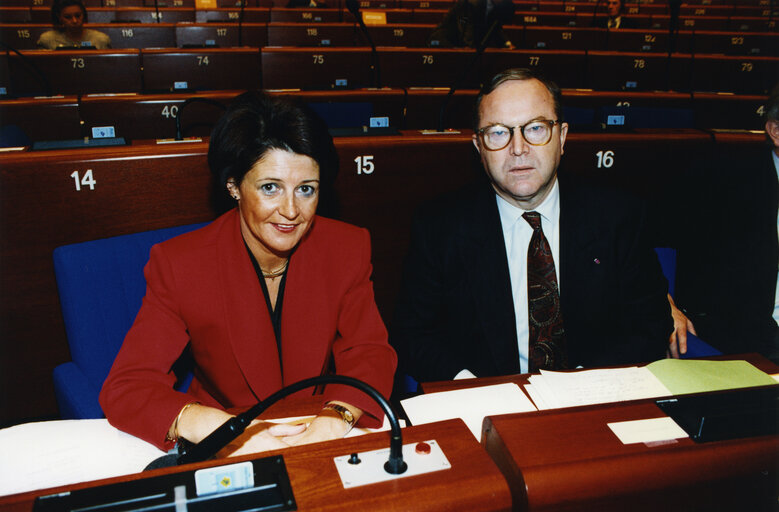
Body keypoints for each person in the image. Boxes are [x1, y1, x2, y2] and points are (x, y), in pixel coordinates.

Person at [99, 92, 397, 455]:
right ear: (233, 186)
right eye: (270, 187)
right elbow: (128, 386)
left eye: (306, 190)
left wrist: (335, 418)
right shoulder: (180, 265)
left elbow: (369, 352)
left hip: (315, 422)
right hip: (226, 434)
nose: (290, 211)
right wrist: (218, 427)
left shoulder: (347, 248)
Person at [390, 68, 671, 382]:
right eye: (498, 132)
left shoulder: (619, 215)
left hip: (594, 398)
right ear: (478, 147)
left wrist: (584, 383)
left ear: (562, 137)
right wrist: (470, 386)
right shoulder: (438, 226)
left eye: (535, 128)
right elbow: (413, 334)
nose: (518, 147)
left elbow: (651, 325)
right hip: (484, 402)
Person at [659, 85, 779, 363]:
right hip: (755, 334)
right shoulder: (726, 183)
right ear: (775, 131)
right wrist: (668, 304)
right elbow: (656, 242)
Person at [427, 0, 515, 49]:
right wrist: (470, 48)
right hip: (446, 42)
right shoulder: (471, 3)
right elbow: (465, 27)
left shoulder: (497, 6)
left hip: (464, 44)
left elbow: (496, 27)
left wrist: (507, 43)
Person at [37, 0, 111, 50]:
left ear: (84, 15)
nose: (74, 21)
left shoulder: (100, 40)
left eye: (78, 16)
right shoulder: (47, 40)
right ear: (59, 18)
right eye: (67, 17)